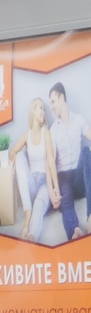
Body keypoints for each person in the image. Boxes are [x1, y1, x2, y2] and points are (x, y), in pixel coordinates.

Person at [10, 97, 60, 241]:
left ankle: (31, 236)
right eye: (41, 108)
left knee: (39, 204)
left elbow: (51, 160)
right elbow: (13, 152)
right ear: (33, 110)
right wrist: (12, 164)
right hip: (32, 183)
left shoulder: (46, 133)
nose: (43, 112)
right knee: (19, 156)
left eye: (44, 109)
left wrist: (56, 188)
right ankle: (27, 215)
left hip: (45, 183)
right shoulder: (27, 135)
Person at [48, 82, 91, 239]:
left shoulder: (79, 120)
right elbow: (51, 160)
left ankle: (90, 216)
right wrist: (54, 189)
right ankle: (74, 231)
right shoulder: (53, 131)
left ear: (61, 98)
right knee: (66, 198)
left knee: (86, 151)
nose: (51, 107)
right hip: (64, 176)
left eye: (53, 101)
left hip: (79, 177)